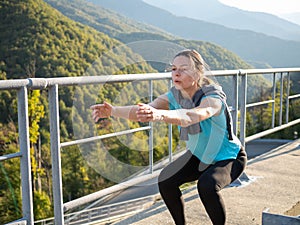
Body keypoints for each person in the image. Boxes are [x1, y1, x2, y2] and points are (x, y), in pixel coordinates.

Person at [90, 49, 247, 225]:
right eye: (173, 69)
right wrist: (113, 111)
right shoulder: (174, 95)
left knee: (207, 185)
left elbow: (191, 116)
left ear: (197, 73)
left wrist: (159, 115)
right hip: (200, 156)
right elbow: (145, 110)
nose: (176, 73)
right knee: (166, 180)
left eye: (183, 69)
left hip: (228, 157)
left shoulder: (213, 98)